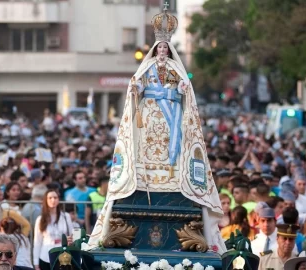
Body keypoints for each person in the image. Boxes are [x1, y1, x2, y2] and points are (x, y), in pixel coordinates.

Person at [87, 4, 226, 254]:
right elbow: (138, 88)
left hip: (171, 114)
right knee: (148, 143)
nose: (162, 51)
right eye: (159, 48)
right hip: (150, 113)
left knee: (171, 143)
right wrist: (135, 89)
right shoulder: (147, 67)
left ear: (169, 50)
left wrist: (182, 90)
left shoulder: (174, 69)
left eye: (165, 48)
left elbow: (186, 90)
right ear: (155, 49)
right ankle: (143, 173)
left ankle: (172, 174)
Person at [33, 190, 74, 270]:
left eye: (55, 197)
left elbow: (71, 235)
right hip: (45, 256)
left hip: (63, 256)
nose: (53, 200)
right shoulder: (40, 219)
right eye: (50, 198)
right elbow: (37, 242)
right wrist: (36, 264)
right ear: (46, 200)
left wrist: (70, 240)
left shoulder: (66, 216)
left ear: (58, 200)